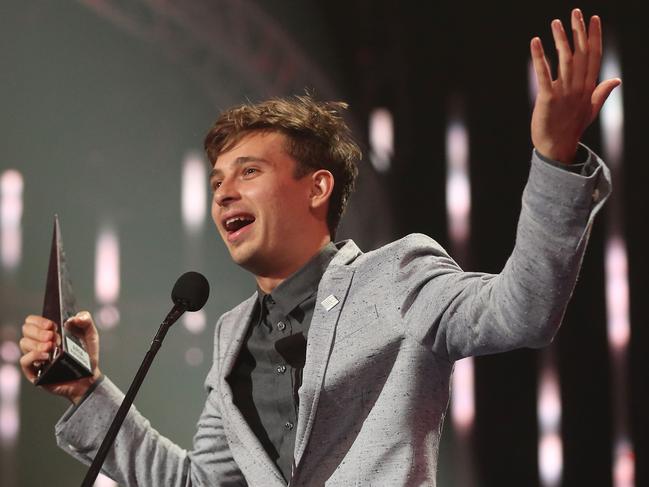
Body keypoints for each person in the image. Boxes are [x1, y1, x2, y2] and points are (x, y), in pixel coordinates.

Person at [19, 9, 619, 486]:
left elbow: (524, 310)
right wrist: (86, 390)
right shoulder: (232, 336)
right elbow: (196, 484)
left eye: (248, 172)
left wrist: (555, 159)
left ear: (316, 187)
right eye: (216, 181)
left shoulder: (398, 277)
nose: (225, 192)